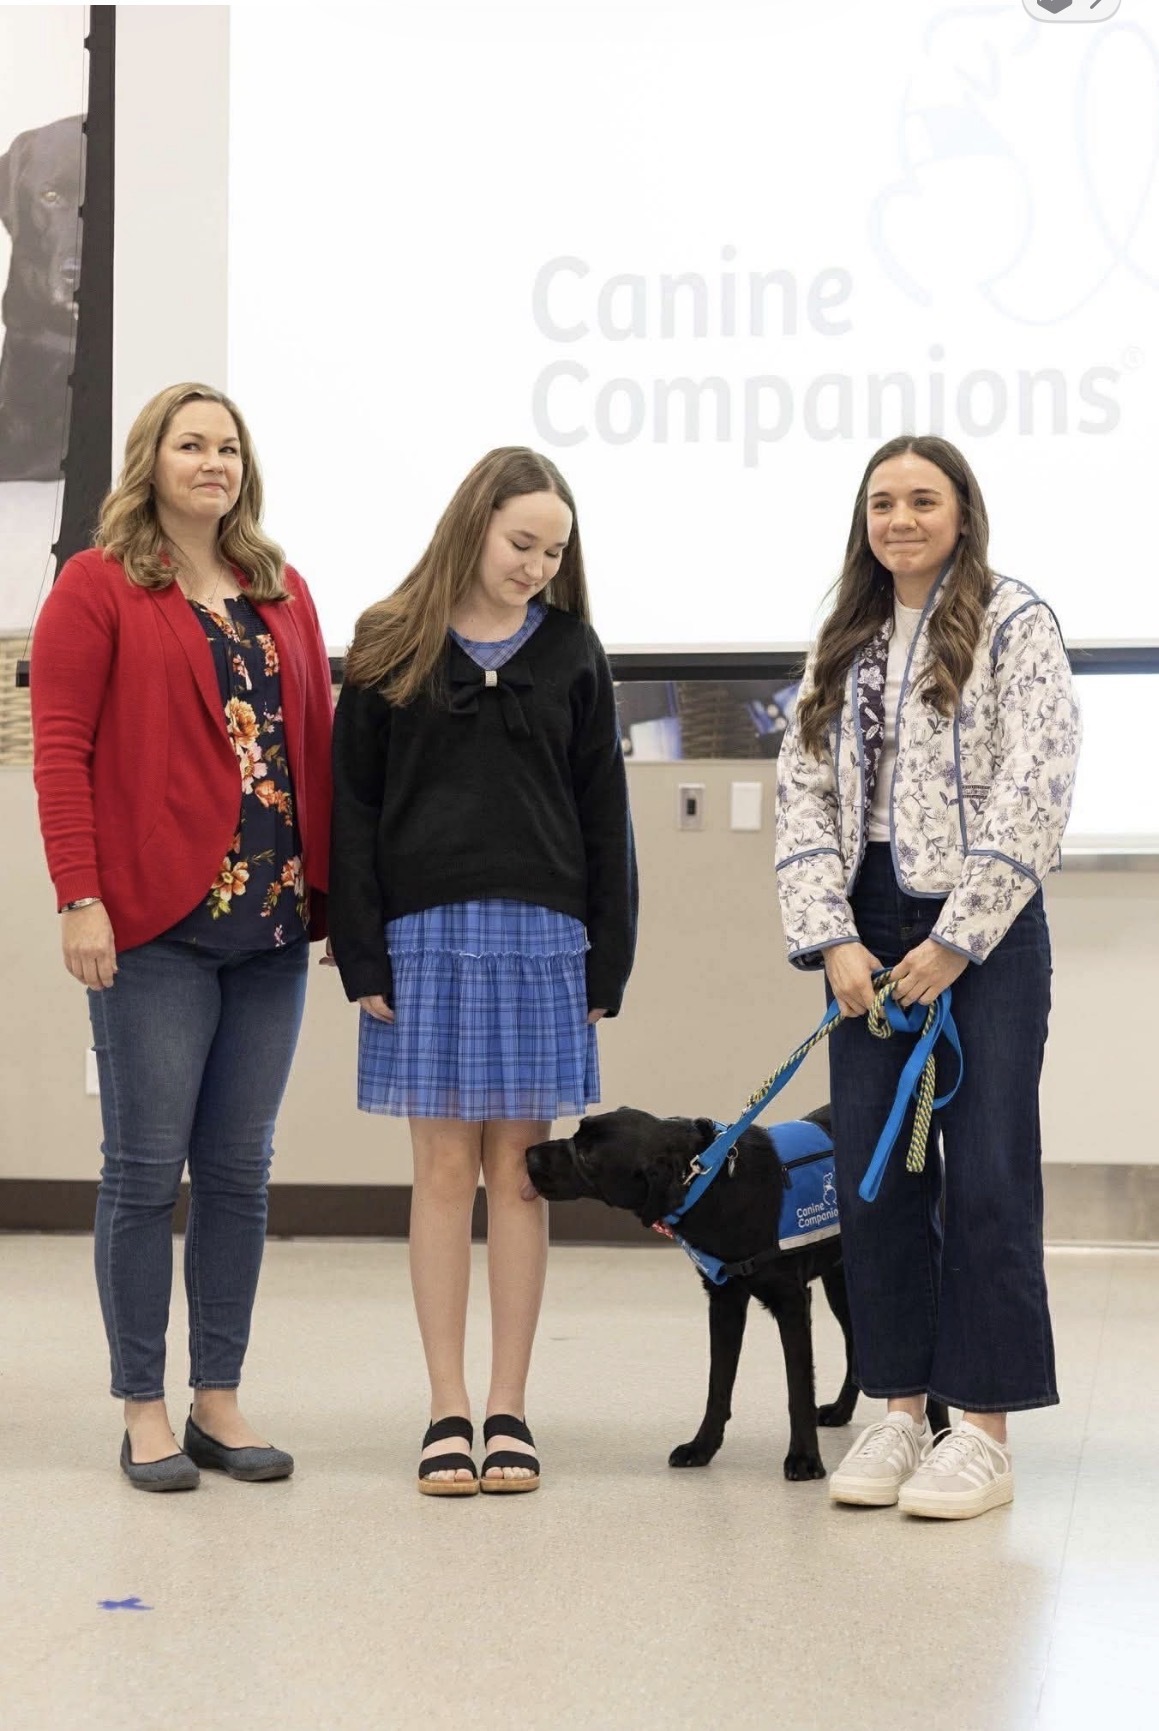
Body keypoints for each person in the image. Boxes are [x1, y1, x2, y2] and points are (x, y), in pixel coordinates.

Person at [30, 383, 334, 1491]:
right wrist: (80, 895)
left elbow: (314, 744)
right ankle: (142, 1407)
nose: (213, 461)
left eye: (228, 446)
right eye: (190, 443)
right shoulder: (99, 585)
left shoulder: (280, 588)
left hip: (271, 923)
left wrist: (331, 898)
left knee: (242, 1175)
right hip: (153, 922)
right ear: (148, 459)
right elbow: (59, 749)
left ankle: (220, 1397)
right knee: (145, 1172)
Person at [774, 434, 1080, 1521]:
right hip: (864, 938)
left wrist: (957, 937)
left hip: (981, 941)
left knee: (987, 1174)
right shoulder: (841, 640)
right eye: (880, 503)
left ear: (961, 512)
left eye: (921, 500)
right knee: (875, 1180)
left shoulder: (1015, 623)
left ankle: (981, 1431)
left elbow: (1035, 788)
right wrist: (832, 939)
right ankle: (898, 1411)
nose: (898, 519)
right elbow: (802, 796)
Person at [329, 447, 637, 1496]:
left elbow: (606, 818)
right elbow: (354, 813)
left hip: (544, 939)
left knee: (520, 1175)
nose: (537, 565)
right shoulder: (387, 643)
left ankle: (509, 1409)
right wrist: (361, 949)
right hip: (420, 938)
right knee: (442, 1175)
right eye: (521, 543)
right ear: (473, 524)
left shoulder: (574, 652)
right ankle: (445, 1407)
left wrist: (612, 951)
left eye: (553, 551)